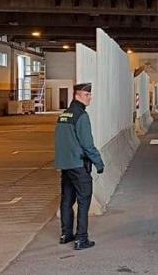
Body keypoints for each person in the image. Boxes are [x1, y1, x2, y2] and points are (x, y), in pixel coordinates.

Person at [54, 82, 104, 251]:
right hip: (78, 165)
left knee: (67, 200)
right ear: (78, 95)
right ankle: (81, 238)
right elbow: (87, 144)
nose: (90, 97)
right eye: (87, 95)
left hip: (65, 166)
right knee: (84, 200)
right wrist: (99, 163)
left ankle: (66, 234)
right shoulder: (81, 116)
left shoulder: (63, 115)